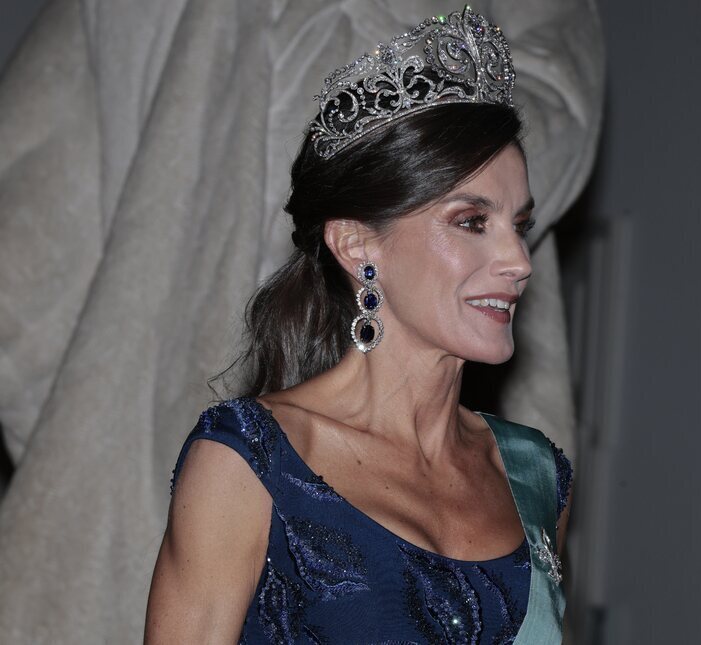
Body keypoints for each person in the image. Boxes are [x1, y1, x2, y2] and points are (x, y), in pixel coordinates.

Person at [144, 8, 573, 643]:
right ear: (357, 245)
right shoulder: (252, 462)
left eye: (521, 226)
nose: (518, 262)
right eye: (472, 221)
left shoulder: (536, 478)